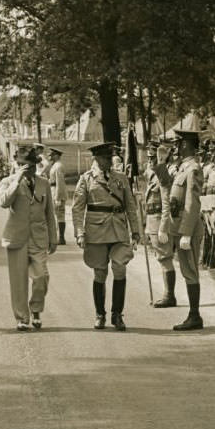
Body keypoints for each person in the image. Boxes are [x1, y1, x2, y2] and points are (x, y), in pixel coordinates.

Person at [72, 142, 140, 331]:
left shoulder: (121, 178)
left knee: (120, 269)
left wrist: (135, 230)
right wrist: (79, 233)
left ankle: (117, 314)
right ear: (96, 158)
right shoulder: (86, 179)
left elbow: (130, 205)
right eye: (104, 158)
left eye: (110, 158)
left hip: (118, 230)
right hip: (96, 231)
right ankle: (100, 314)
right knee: (100, 272)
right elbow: (77, 208)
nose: (108, 162)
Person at [0, 145, 58, 331]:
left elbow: (49, 212)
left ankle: (36, 309)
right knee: (18, 281)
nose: (28, 169)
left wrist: (53, 237)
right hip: (16, 237)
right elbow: (3, 202)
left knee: (42, 276)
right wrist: (17, 179)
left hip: (38, 237)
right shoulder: (8, 181)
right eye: (24, 165)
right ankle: (22, 318)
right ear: (17, 164)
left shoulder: (43, 183)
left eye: (31, 166)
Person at [156, 129, 204, 330]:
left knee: (190, 271)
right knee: (186, 270)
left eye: (178, 143)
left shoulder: (193, 169)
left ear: (185, 145)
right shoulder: (180, 168)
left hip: (188, 227)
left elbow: (192, 203)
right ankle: (193, 316)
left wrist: (186, 232)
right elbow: (167, 191)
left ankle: (195, 316)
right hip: (177, 225)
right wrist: (160, 164)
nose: (175, 147)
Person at [144, 140, 178, 307]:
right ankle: (167, 293)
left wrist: (164, 227)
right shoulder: (152, 174)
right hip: (152, 219)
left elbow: (166, 202)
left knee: (165, 258)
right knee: (161, 258)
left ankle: (169, 295)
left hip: (160, 220)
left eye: (153, 157)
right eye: (149, 157)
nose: (150, 160)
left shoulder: (166, 173)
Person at [47, 147, 67, 244]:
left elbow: (60, 182)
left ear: (57, 155)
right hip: (53, 190)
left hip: (57, 191)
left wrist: (58, 197)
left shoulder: (58, 166)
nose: (49, 156)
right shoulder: (55, 165)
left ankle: (61, 238)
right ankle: (57, 237)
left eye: (51, 154)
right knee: (55, 215)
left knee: (59, 215)